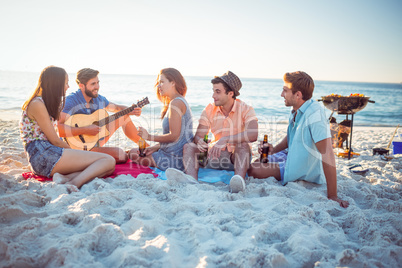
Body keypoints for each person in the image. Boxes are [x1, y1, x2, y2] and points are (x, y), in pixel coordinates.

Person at [248, 71, 350, 208]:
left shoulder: (315, 115)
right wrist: (273, 150)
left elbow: (328, 154)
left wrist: (333, 195)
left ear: (298, 95)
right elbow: (293, 135)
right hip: (290, 156)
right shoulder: (297, 109)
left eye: (285, 90)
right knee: (258, 161)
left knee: (253, 169)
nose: (281, 94)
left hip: (301, 166)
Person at [19, 66, 115, 191]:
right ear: (56, 84)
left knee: (109, 167)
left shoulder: (45, 103)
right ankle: (74, 183)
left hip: (49, 152)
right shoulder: (37, 104)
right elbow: (55, 140)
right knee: (107, 160)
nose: (68, 87)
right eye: (66, 83)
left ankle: (65, 178)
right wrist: (76, 152)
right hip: (43, 155)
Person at [165, 71, 258, 193]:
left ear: (230, 93)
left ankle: (238, 181)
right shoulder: (209, 109)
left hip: (234, 159)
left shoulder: (246, 109)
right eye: (213, 91)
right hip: (213, 156)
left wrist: (225, 139)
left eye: (218, 92)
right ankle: (192, 180)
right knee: (189, 147)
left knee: (243, 145)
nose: (213, 95)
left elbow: (253, 134)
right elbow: (198, 136)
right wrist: (200, 142)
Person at [57, 68, 144, 163]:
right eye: (93, 84)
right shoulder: (71, 101)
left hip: (95, 141)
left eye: (98, 82)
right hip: (77, 147)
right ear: (82, 86)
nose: (97, 87)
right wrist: (86, 129)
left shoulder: (98, 99)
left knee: (123, 117)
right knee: (121, 155)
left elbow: (117, 108)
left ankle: (146, 147)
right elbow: (59, 129)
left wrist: (132, 110)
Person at [128, 68, 194, 171]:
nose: (158, 86)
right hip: (175, 155)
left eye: (162, 82)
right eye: (158, 83)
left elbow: (174, 136)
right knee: (138, 151)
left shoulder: (176, 103)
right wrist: (154, 148)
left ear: (173, 83)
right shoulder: (179, 101)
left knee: (132, 153)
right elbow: (178, 138)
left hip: (174, 161)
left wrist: (148, 136)